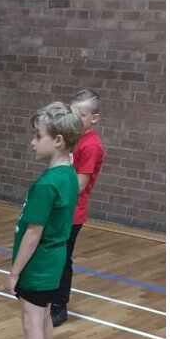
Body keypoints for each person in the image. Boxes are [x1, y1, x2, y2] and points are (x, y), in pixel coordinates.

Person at [0, 102, 80, 339]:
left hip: (39, 264)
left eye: (38, 136)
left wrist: (14, 272)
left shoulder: (48, 184)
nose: (33, 142)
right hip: (54, 259)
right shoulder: (68, 174)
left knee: (32, 321)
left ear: (58, 140)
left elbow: (33, 233)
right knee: (43, 315)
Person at [51, 88, 106, 326]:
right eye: (72, 113)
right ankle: (48, 297)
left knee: (63, 259)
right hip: (61, 209)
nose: (75, 119)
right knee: (54, 255)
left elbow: (80, 184)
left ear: (94, 118)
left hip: (72, 212)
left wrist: (53, 193)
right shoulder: (73, 139)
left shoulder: (91, 145)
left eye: (81, 115)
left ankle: (59, 305)